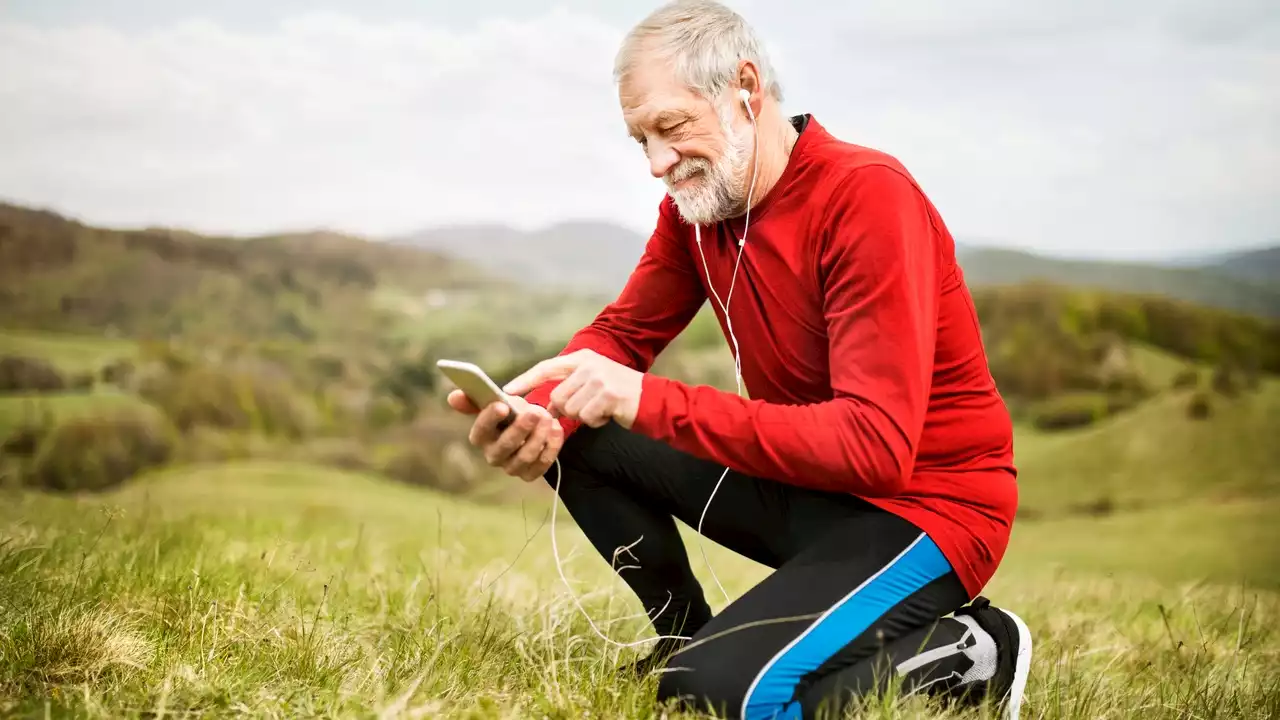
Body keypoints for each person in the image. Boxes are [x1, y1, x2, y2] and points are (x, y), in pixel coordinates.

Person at [446, 1, 1031, 717]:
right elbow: (622, 334)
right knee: (578, 416)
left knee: (718, 698)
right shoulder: (699, 209)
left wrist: (643, 398)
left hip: (925, 514)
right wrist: (537, 410)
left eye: (671, 127)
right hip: (808, 487)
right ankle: (683, 636)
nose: (658, 162)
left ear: (745, 89)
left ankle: (974, 649)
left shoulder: (868, 197)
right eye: (640, 140)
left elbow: (874, 450)